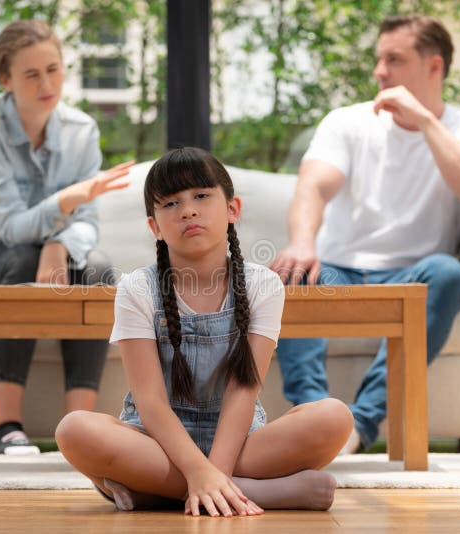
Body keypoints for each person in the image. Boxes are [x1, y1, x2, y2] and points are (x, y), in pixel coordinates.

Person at [55, 147, 353, 516]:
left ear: (232, 210)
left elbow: (244, 391)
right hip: (156, 443)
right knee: (75, 430)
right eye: (170, 204)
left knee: (333, 416)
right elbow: (150, 403)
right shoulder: (137, 288)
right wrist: (198, 471)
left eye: (201, 196)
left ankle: (156, 494)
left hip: (240, 442)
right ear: (155, 228)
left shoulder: (263, 285)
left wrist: (214, 471)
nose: (188, 210)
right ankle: (257, 492)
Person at [269, 14, 460, 454]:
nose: (380, 71)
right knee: (288, 275)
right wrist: (302, 242)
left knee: (451, 274)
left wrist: (426, 123)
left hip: (413, 278)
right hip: (336, 272)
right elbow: (314, 185)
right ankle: (315, 419)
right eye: (379, 59)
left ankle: (359, 426)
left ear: (434, 67)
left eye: (393, 59)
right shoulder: (347, 122)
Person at [0, 20, 133, 455]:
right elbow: (8, 227)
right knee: (23, 255)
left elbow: (89, 221)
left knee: (97, 268)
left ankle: (79, 430)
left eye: (54, 69)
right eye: (31, 74)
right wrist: (66, 202)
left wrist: (58, 243)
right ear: (5, 80)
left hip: (43, 251)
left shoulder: (81, 130)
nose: (47, 83)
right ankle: (3, 426)